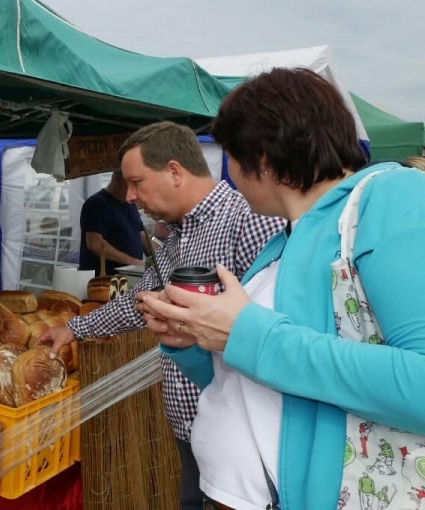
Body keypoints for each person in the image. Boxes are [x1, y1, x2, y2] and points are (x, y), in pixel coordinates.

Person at [142, 68, 425, 510]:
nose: (230, 174)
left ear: (265, 160)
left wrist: (248, 335)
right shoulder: (283, 241)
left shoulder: (392, 198)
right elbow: (255, 379)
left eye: (232, 157)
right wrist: (194, 343)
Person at [41, 120, 285, 510]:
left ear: (174, 171)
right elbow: (140, 298)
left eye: (137, 182)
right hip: (193, 423)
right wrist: (75, 328)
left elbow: (280, 326)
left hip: (243, 436)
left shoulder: (247, 219)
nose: (132, 196)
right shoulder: (176, 233)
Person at [78, 171, 146, 276]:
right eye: (131, 186)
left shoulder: (129, 204)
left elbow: (142, 235)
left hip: (128, 277)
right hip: (104, 280)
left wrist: (160, 257)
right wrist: (133, 262)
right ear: (117, 181)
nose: (134, 192)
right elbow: (95, 244)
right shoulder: (96, 204)